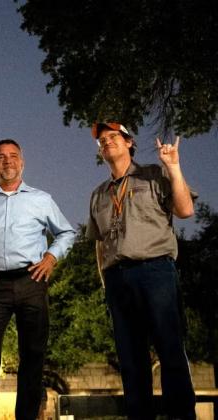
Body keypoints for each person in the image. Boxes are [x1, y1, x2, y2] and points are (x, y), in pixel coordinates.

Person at [0, 139, 76, 420]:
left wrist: (51, 257)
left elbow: (66, 233)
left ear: (22, 163)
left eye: (13, 156)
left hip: (31, 280)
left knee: (33, 357)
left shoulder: (41, 199)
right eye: (1, 157)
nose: (7, 161)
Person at [86, 122, 196, 419]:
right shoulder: (98, 194)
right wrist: (105, 283)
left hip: (155, 270)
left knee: (170, 348)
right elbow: (99, 243)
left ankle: (182, 415)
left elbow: (185, 210)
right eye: (102, 140)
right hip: (117, 279)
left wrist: (173, 166)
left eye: (113, 137)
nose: (107, 142)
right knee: (131, 359)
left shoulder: (153, 175)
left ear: (129, 142)